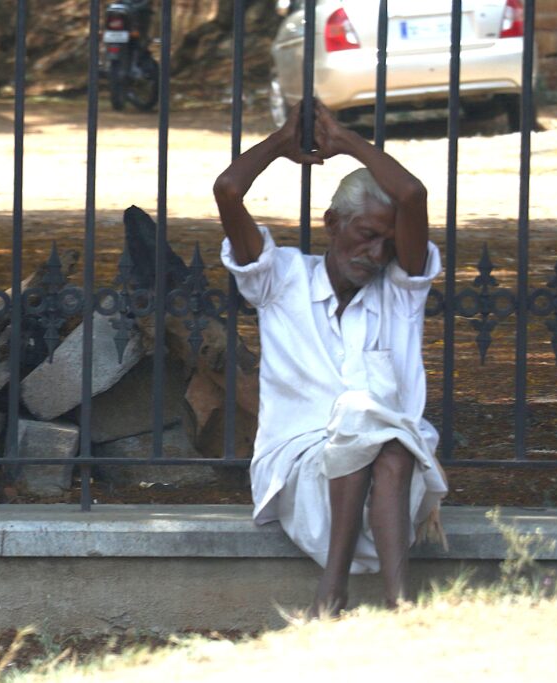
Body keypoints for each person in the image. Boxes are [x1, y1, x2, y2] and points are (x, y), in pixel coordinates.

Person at [213, 100, 448, 615]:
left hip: (392, 487)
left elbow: (413, 195)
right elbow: (228, 190)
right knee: (363, 425)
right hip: (302, 478)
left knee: (382, 437)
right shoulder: (281, 280)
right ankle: (342, 591)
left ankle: (386, 603)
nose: (378, 254)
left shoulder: (401, 293)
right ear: (333, 223)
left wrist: (344, 140)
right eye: (367, 236)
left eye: (388, 242)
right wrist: (282, 141)